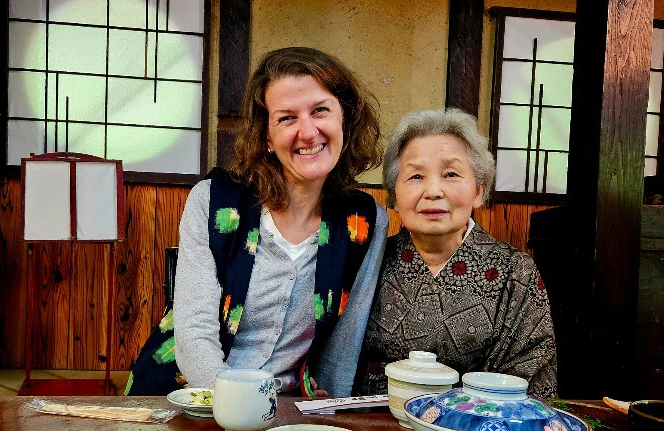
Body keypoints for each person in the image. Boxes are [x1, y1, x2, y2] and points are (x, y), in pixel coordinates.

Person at [127, 47, 388, 397]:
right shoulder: (214, 202)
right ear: (266, 136)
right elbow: (195, 333)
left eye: (321, 110)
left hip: (285, 410)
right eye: (286, 118)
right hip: (187, 396)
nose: (308, 132)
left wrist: (330, 419)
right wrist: (242, 407)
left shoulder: (365, 222)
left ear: (345, 118)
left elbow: (344, 345)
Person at [357, 108, 556, 400]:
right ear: (393, 195)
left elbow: (532, 377)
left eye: (451, 174)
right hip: (377, 428)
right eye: (415, 176)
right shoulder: (369, 261)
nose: (433, 191)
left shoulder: (516, 271)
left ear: (478, 190)